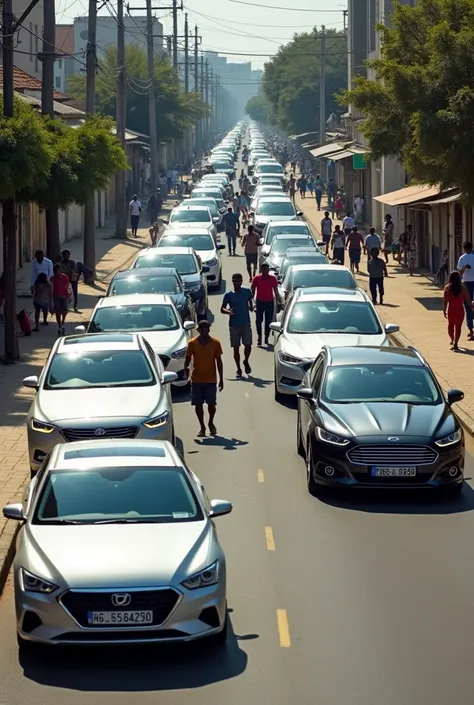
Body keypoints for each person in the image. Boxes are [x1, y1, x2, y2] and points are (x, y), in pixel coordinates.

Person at [184, 319, 224, 437]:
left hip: (211, 379)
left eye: (207, 328)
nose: (205, 331)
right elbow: (188, 359)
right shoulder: (192, 343)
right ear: (199, 330)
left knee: (211, 404)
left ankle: (211, 422)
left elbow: (219, 361)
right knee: (198, 404)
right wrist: (186, 369)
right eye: (203, 329)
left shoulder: (215, 343)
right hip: (196, 379)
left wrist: (221, 378)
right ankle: (202, 426)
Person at [221, 273, 254, 377]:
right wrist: (228, 312)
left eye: (239, 281)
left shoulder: (247, 291)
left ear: (241, 281)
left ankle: (246, 360)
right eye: (235, 281)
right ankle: (238, 369)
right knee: (236, 348)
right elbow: (222, 308)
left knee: (248, 345)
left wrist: (252, 307)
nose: (237, 283)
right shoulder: (228, 295)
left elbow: (251, 301)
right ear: (232, 281)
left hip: (245, 323)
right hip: (234, 325)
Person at [444, 270, 474, 350]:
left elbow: (445, 300)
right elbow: (468, 299)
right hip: (460, 309)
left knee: (450, 326)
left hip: (451, 310)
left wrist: (444, 310)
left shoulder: (447, 288)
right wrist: (471, 306)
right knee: (458, 327)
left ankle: (452, 339)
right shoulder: (463, 288)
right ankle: (456, 342)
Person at [251, 262, 280, 346]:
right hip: (259, 302)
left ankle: (266, 336)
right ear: (261, 269)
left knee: (268, 321)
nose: (265, 270)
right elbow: (252, 291)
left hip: (269, 302)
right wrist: (251, 303)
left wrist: (280, 302)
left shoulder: (272, 279)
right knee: (258, 321)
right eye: (263, 269)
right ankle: (259, 336)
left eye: (266, 269)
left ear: (268, 269)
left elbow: (276, 291)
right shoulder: (256, 278)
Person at [457, 240, 474, 340]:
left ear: (464, 248)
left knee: (468, 306)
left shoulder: (462, 258)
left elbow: (459, 272)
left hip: (466, 284)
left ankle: (471, 329)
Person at [51, 263, 70, 335]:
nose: (60, 271)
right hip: (56, 297)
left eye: (61, 270)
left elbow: (68, 286)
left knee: (65, 310)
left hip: (64, 297)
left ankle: (63, 323)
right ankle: (59, 326)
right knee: (58, 312)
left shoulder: (65, 277)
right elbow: (51, 289)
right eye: (59, 270)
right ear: (55, 271)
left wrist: (69, 295)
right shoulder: (52, 279)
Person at [59, 249, 80, 313]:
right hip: (64, 280)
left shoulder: (72, 262)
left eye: (68, 255)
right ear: (63, 256)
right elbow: (61, 272)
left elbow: (74, 270)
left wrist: (69, 272)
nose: (67, 257)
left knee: (74, 292)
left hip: (72, 280)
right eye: (66, 255)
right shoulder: (61, 264)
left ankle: (75, 306)